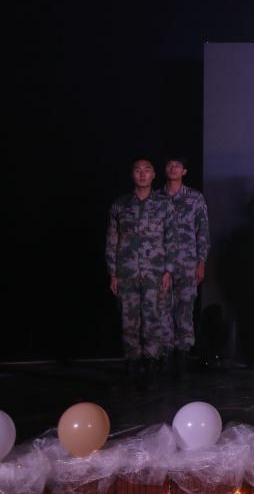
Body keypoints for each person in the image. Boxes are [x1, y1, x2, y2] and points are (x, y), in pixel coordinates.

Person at [106, 158, 173, 389]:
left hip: (155, 272)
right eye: (138, 170)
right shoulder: (120, 205)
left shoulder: (164, 205)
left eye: (147, 170)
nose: (142, 174)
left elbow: (171, 240)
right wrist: (113, 272)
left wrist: (168, 270)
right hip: (127, 273)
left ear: (154, 175)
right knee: (129, 320)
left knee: (153, 318)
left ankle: (152, 366)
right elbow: (112, 240)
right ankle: (132, 366)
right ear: (132, 175)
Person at [154, 155, 210, 378]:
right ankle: (166, 353)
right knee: (162, 308)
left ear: (184, 171)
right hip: (160, 264)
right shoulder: (155, 198)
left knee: (185, 308)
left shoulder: (195, 198)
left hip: (187, 263)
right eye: (169, 165)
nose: (173, 168)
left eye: (177, 165)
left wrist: (201, 261)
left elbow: (203, 231)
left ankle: (183, 355)